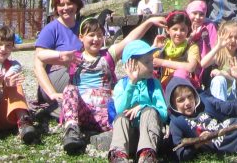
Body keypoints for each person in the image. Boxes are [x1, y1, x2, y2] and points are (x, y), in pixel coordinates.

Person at [58, 15, 163, 154]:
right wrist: (59, 57)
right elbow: (40, 59)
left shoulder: (108, 55)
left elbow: (130, 39)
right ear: (81, 37)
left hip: (105, 112)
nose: (96, 39)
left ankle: (124, 140)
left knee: (122, 115)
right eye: (91, 35)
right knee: (69, 89)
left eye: (100, 35)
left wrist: (149, 22)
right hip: (82, 110)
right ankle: (72, 130)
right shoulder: (74, 57)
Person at [108, 40, 167, 163]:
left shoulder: (154, 84)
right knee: (121, 117)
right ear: (131, 65)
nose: (152, 65)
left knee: (150, 111)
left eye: (152, 60)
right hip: (130, 139)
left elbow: (163, 114)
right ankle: (118, 155)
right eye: (147, 62)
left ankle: (147, 155)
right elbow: (119, 109)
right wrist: (132, 84)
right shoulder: (121, 85)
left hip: (151, 138)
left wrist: (142, 107)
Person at [33, 0, 85, 118]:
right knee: (83, 74)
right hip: (55, 80)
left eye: (70, 3)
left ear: (77, 4)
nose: (66, 8)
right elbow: (38, 64)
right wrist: (51, 93)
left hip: (77, 77)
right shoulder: (51, 30)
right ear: (56, 8)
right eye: (61, 5)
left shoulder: (82, 28)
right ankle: (57, 107)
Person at [199, 20, 237, 101]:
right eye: (230, 37)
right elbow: (203, 64)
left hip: (236, 93)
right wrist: (218, 47)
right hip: (222, 93)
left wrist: (224, 74)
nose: (233, 40)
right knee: (219, 80)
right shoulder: (220, 53)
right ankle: (221, 110)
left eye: (236, 37)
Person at [153, 10, 201, 87]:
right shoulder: (163, 45)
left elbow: (191, 67)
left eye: (183, 30)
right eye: (175, 29)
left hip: (183, 88)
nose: (178, 33)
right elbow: (147, 62)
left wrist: (161, 62)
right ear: (167, 30)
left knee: (180, 73)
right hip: (163, 86)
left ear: (187, 31)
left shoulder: (192, 47)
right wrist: (154, 47)